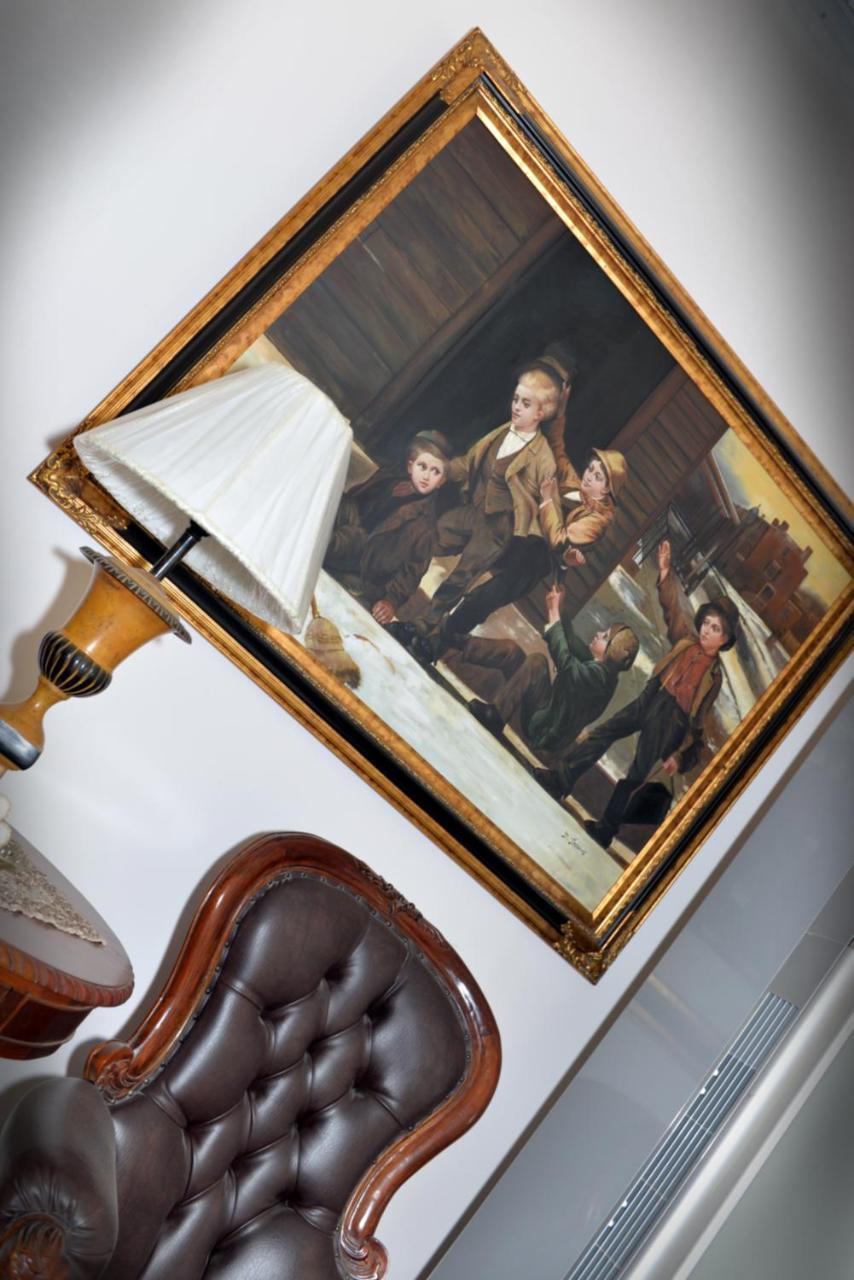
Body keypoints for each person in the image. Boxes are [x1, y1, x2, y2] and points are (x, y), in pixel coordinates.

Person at [538, 539, 740, 847]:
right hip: (651, 697)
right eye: (707, 623)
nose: (707, 631)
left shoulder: (715, 678)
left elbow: (698, 723)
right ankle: (560, 781)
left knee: (636, 774)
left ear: (724, 640)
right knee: (603, 733)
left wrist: (679, 757)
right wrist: (665, 572)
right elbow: (673, 609)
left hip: (670, 722)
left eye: (716, 629)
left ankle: (606, 830)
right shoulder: (685, 640)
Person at [407, 361, 561, 661]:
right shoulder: (502, 432)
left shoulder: (544, 459)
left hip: (497, 528)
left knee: (460, 577)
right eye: (516, 399)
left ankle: (423, 625)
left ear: (540, 414)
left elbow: (547, 507)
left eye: (525, 404)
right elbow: (468, 463)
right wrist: (440, 469)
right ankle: (396, 592)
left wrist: (530, 534)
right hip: (473, 510)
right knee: (428, 536)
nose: (516, 407)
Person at [464, 584, 639, 757]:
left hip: (544, 731)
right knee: (513, 652)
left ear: (612, 653)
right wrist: (560, 608)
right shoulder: (601, 669)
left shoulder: (598, 679)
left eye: (605, 637)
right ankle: (462, 645)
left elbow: (566, 662)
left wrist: (554, 612)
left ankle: (496, 716)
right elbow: (569, 639)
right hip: (548, 715)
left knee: (536, 663)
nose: (599, 634)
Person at [324, 430, 451, 624]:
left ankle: (317, 543)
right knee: (332, 500)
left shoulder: (425, 526)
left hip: (366, 560)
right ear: (410, 466)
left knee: (345, 538)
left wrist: (391, 601)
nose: (426, 476)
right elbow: (356, 500)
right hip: (354, 526)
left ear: (441, 481)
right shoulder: (392, 480)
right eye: (422, 467)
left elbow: (413, 571)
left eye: (435, 472)